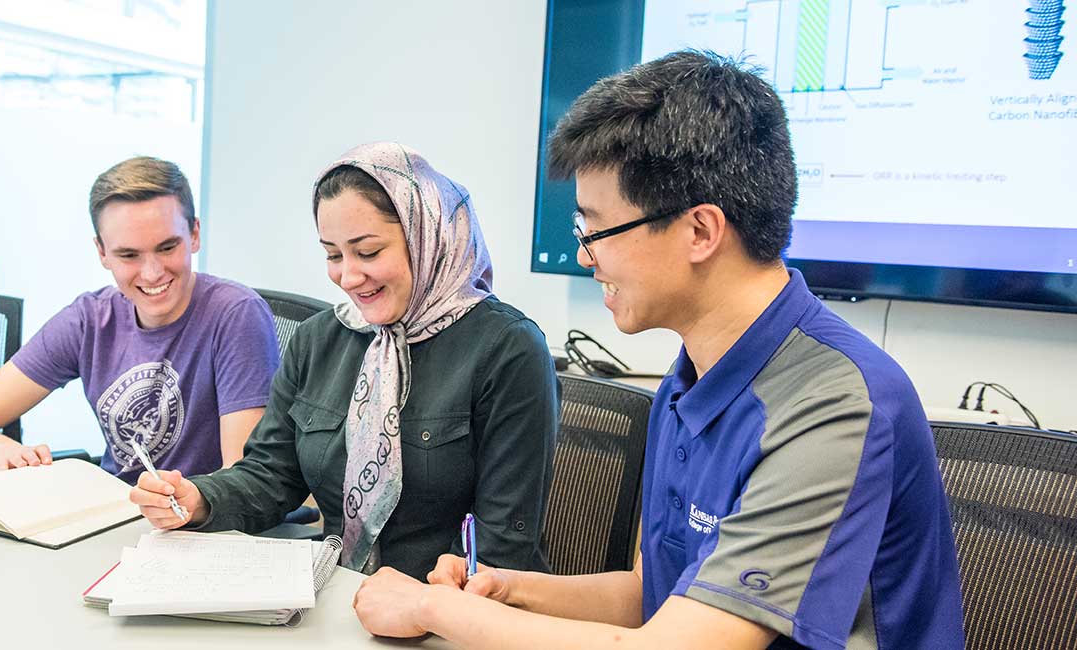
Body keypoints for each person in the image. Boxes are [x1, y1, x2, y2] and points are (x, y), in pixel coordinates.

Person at [352, 51, 966, 650]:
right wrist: (508, 592)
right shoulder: (691, 376)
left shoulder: (837, 403)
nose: (585, 255)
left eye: (597, 231)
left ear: (700, 231)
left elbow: (686, 642)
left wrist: (434, 609)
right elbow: (652, 595)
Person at [129, 142, 558, 580]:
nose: (348, 277)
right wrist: (198, 498)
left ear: (426, 237)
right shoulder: (319, 341)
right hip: (337, 590)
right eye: (333, 255)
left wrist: (427, 602)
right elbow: (272, 475)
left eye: (368, 252)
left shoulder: (507, 350)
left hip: (450, 609)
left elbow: (502, 543)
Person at [0, 156, 279, 482]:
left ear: (194, 235)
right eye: (129, 255)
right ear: (102, 252)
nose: (152, 272)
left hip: (205, 527)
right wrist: (3, 450)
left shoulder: (236, 315)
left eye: (167, 247)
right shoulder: (89, 321)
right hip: (120, 517)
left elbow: (242, 479)